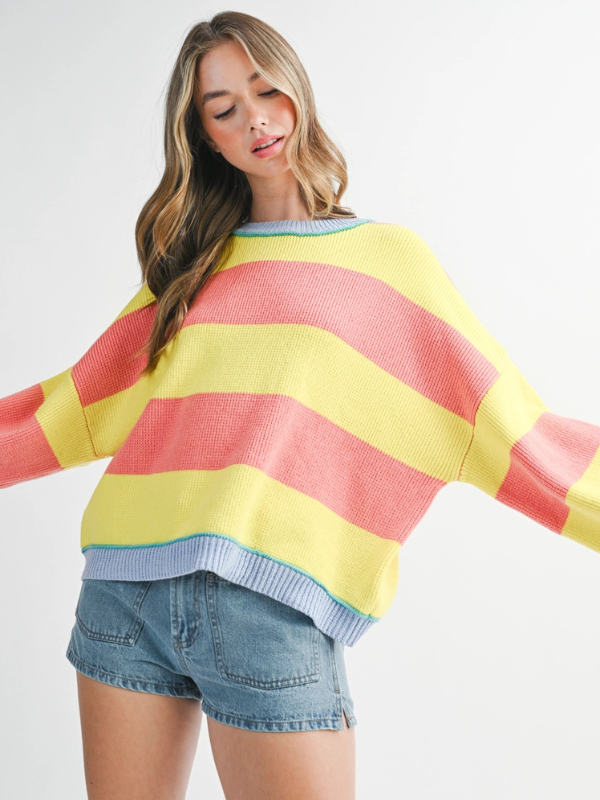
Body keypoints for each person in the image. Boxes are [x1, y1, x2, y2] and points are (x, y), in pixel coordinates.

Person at [1, 9, 599, 800]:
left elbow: (521, 437)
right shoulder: (190, 271)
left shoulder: (389, 264)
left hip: (272, 614)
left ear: (297, 91)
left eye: (265, 90)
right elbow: (71, 409)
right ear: (204, 136)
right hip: (125, 597)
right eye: (222, 109)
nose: (254, 119)